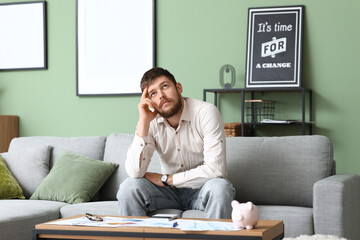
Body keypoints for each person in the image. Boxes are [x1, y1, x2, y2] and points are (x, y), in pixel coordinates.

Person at [117, 67, 235, 219]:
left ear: (178, 88)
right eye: (153, 93)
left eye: (165, 86)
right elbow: (135, 172)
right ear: (149, 101)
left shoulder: (206, 113)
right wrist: (143, 122)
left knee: (220, 188)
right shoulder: (150, 122)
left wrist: (167, 179)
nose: (161, 96)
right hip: (169, 193)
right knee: (128, 187)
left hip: (203, 188)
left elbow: (216, 170)